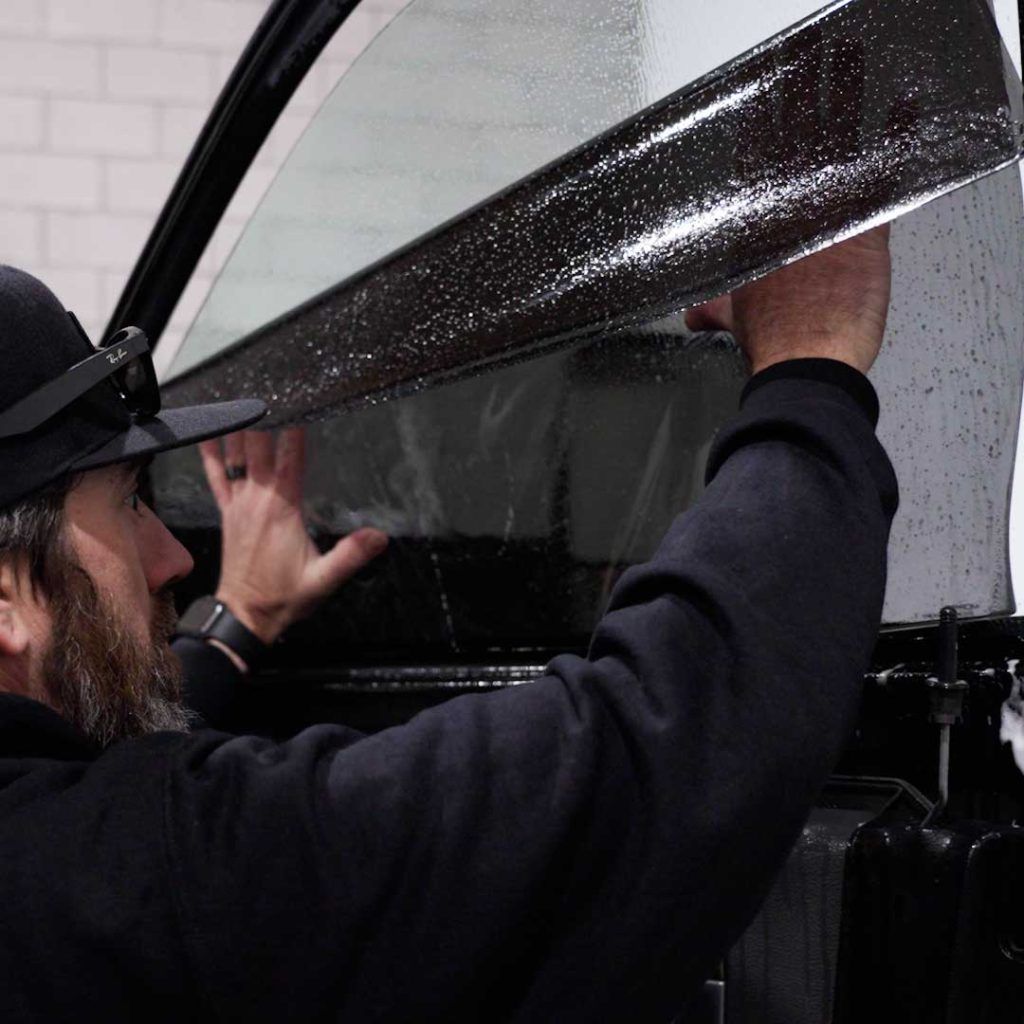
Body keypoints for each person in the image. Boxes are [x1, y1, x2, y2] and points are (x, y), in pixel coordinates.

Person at [0, 223, 896, 1023]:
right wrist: (810, 372)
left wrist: (240, 623)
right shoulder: (121, 881)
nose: (171, 559)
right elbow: (655, 754)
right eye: (125, 507)